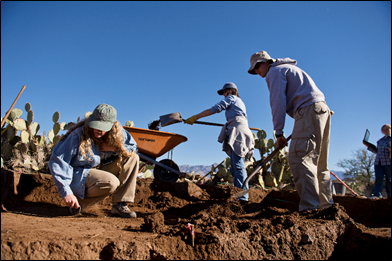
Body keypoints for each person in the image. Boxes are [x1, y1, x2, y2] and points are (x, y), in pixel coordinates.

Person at [248, 50, 334, 212]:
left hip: (308, 111)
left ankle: (310, 208)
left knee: (299, 158)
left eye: (258, 66)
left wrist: (278, 133)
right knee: (319, 163)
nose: (257, 71)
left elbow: (277, 102)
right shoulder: (287, 69)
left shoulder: (274, 72)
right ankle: (326, 207)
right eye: (254, 70)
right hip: (321, 110)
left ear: (267, 62)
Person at [48, 103, 140, 218]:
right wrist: (66, 191)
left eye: (103, 127)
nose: (99, 130)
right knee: (111, 182)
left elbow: (133, 148)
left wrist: (115, 149)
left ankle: (119, 204)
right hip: (81, 175)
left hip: (101, 169)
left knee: (132, 158)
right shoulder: (77, 135)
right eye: (96, 125)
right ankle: (79, 204)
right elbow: (58, 161)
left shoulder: (118, 133)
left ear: (112, 125)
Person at [184, 82, 255, 201]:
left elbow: (215, 109)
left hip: (238, 132)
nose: (224, 95)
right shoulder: (240, 102)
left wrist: (196, 117)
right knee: (234, 168)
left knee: (238, 166)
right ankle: (239, 195)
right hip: (237, 129)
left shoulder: (232, 98)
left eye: (225, 92)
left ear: (231, 90)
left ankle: (242, 197)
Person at [363, 124, 391, 198]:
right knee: (378, 180)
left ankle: (390, 196)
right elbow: (377, 151)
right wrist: (368, 146)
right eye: (384, 129)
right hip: (379, 162)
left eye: (387, 129)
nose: (385, 131)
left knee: (389, 180)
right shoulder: (380, 140)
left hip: (389, 162)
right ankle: (377, 196)